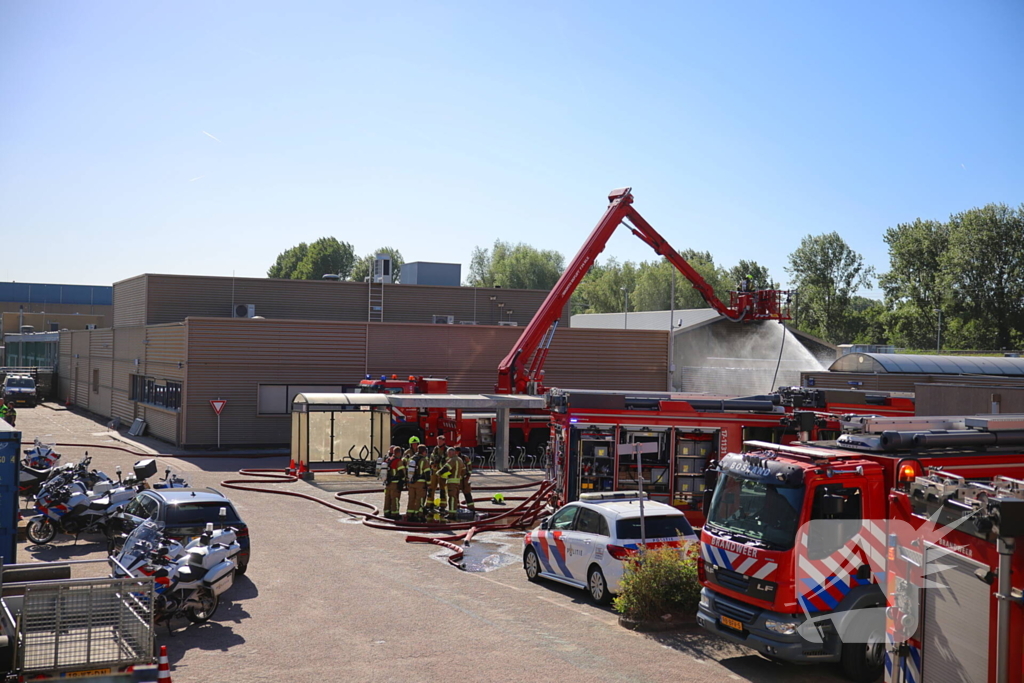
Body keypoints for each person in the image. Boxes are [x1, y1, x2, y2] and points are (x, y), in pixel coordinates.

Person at [405, 445, 431, 522]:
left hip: (411, 482)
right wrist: (429, 484)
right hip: (420, 483)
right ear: (424, 452)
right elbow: (427, 473)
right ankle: (418, 515)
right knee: (420, 499)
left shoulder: (411, 459)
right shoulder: (424, 460)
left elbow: (408, 470)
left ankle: (410, 514)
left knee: (411, 499)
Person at [382, 446, 405, 520]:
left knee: (387, 498)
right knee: (395, 499)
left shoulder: (388, 459)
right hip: (395, 483)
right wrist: (403, 481)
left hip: (387, 483)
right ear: (399, 453)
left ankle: (386, 512)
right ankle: (395, 514)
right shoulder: (398, 461)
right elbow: (402, 473)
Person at [426, 436, 448, 515]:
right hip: (434, 472)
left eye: (440, 441)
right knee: (431, 488)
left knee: (442, 489)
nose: (438, 443)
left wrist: (440, 462)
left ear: (444, 441)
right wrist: (432, 463)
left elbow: (447, 461)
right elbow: (431, 457)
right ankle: (429, 504)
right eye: (437, 441)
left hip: (442, 472)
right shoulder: (435, 449)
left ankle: (442, 505)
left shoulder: (447, 450)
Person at [443, 447, 466, 519]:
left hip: (451, 482)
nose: (448, 455)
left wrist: (438, 474)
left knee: (452, 498)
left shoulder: (452, 460)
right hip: (457, 482)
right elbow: (464, 470)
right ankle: (454, 512)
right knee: (455, 497)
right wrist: (459, 477)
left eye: (448, 453)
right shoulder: (460, 460)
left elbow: (445, 468)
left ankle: (451, 514)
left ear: (450, 453)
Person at [459, 448, 475, 513]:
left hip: (465, 479)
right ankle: (456, 508)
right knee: (455, 494)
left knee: (467, 493)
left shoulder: (465, 458)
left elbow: (470, 466)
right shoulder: (453, 458)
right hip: (457, 479)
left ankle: (471, 508)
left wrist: (468, 475)